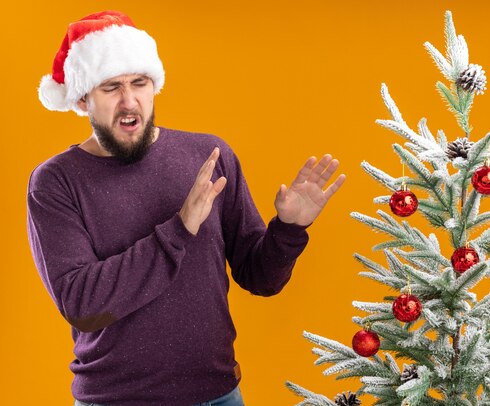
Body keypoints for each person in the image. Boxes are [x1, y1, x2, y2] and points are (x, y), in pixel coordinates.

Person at [27, 10, 345, 406]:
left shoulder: (208, 155)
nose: (130, 101)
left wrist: (288, 229)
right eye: (110, 88)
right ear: (82, 98)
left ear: (153, 85)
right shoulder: (55, 181)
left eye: (139, 83)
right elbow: (82, 303)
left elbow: (259, 277)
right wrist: (178, 229)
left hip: (218, 395)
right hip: (115, 400)